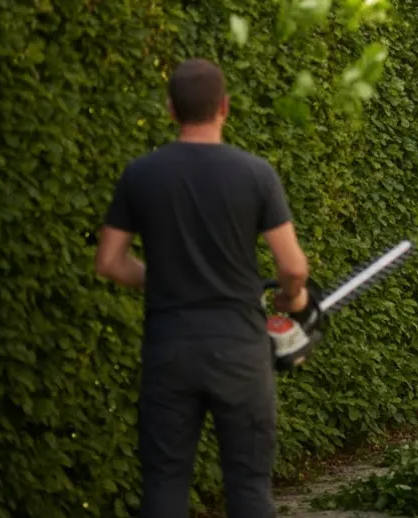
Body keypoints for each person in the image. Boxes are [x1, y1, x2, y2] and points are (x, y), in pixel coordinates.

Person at [94, 58, 311, 518]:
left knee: (165, 485)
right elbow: (292, 266)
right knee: (249, 490)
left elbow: (109, 261)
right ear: (225, 108)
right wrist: (291, 300)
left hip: (169, 348)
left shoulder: (141, 174)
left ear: (171, 110)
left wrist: (166, 279)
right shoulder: (256, 174)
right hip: (238, 351)